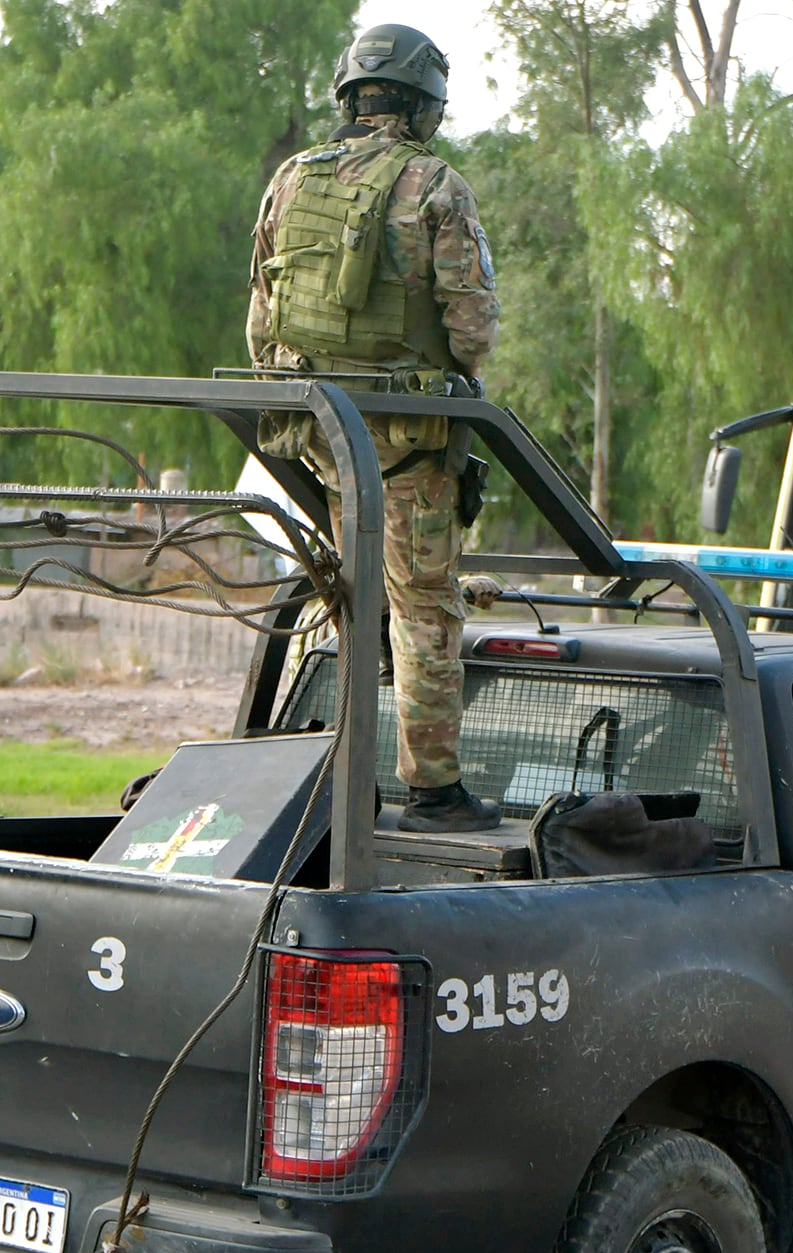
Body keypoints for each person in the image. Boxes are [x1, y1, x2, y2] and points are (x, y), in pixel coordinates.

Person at [247, 23, 504, 832]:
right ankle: (432, 791)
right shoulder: (435, 184)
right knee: (425, 604)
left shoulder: (291, 179)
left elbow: (262, 321)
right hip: (408, 438)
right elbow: (473, 330)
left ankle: (343, 780)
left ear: (350, 96)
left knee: (352, 600)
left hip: (323, 432)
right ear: (423, 103)